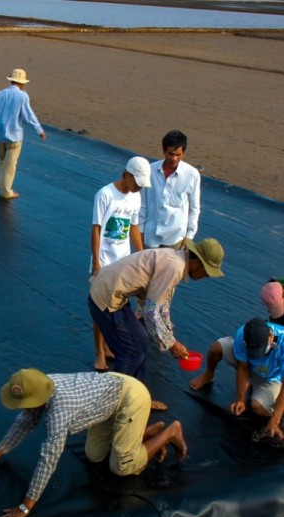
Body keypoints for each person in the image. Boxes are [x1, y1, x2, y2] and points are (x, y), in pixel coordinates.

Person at [0, 369, 187, 517]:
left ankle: (170, 432)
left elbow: (49, 459)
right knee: (94, 456)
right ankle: (141, 433)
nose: (22, 409)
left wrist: (26, 506)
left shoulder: (59, 412)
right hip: (106, 400)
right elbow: (25, 421)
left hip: (130, 397)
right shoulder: (42, 385)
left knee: (122, 466)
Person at [88, 238, 225, 381]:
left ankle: (137, 395)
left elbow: (162, 304)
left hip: (111, 294)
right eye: (206, 272)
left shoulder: (176, 259)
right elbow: (150, 310)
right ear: (198, 262)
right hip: (105, 300)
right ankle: (113, 397)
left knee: (141, 339)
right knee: (132, 354)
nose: (206, 276)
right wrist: (171, 343)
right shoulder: (174, 267)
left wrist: (169, 335)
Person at [189, 318, 284, 441]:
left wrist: (275, 419)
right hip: (249, 367)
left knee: (258, 408)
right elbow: (242, 367)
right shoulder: (242, 334)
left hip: (270, 377)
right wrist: (240, 399)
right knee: (216, 348)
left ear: (270, 336)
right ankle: (208, 375)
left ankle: (269, 402)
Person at [91, 156, 151, 372]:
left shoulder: (135, 197)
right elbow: (96, 228)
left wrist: (142, 255)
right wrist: (96, 262)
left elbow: (133, 227)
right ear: (127, 174)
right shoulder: (105, 194)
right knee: (100, 305)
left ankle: (108, 346)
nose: (139, 188)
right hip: (105, 259)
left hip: (123, 259)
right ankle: (99, 351)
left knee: (119, 305)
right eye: (137, 183)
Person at [0, 68, 46, 201]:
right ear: (22, 83)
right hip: (14, 135)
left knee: (1, 159)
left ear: (11, 80)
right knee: (10, 164)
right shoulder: (22, 96)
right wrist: (39, 130)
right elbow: (28, 116)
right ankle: (6, 191)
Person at [139, 130, 201, 249]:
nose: (174, 158)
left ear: (183, 153)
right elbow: (143, 204)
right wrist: (140, 231)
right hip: (150, 237)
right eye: (170, 154)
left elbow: (194, 208)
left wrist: (189, 236)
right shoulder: (150, 170)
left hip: (175, 239)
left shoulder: (192, 175)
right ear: (163, 150)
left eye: (178, 155)